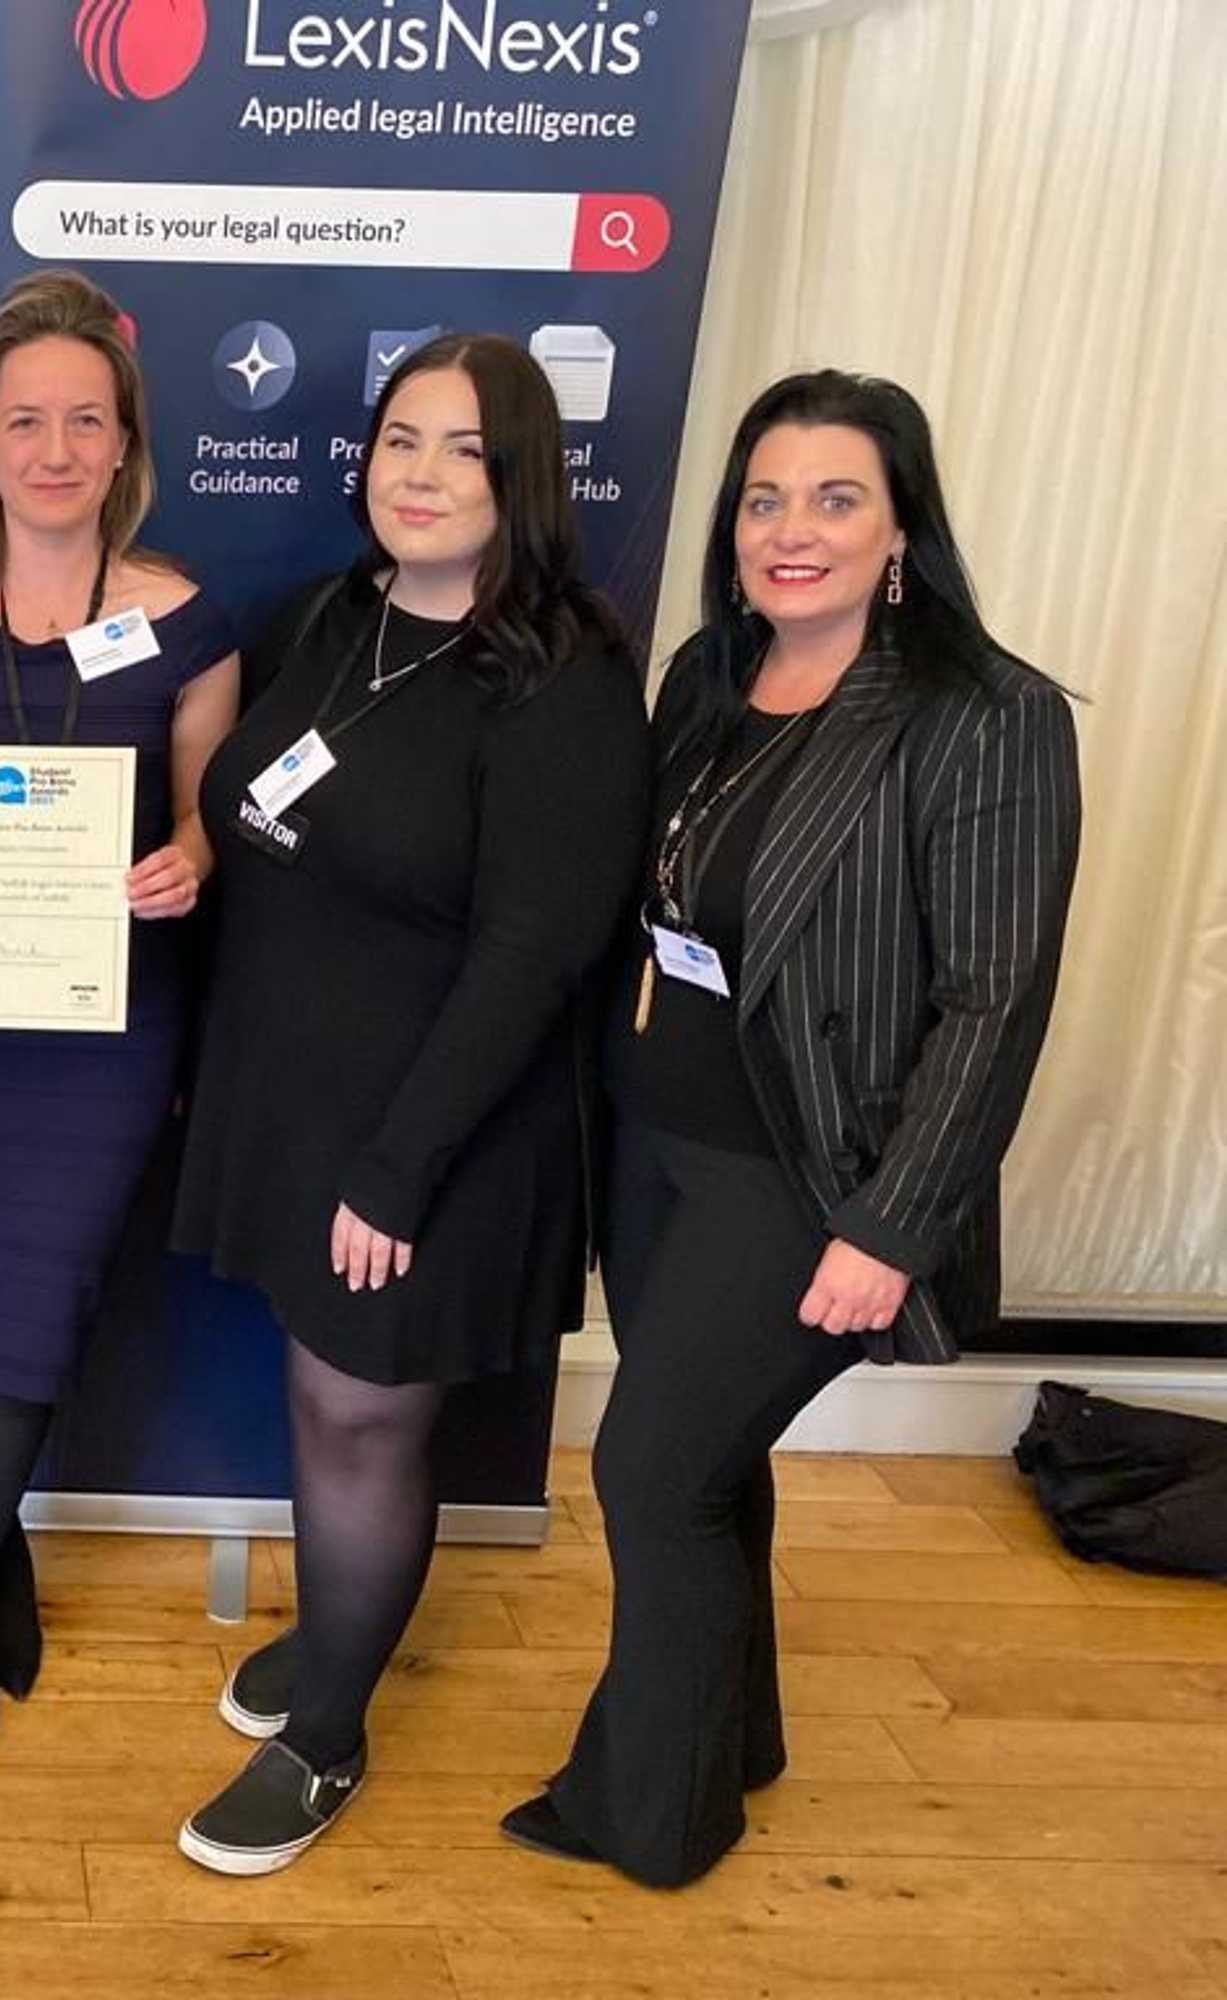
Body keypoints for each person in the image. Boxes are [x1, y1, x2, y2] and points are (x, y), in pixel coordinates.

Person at [501, 371, 1082, 1887]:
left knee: (649, 1470)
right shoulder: (710, 674)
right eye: (766, 498)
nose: (792, 530)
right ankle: (731, 1735)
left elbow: (993, 1001)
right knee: (712, 1459)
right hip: (653, 1150)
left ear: (902, 530)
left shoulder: (984, 717)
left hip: (809, 1174)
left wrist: (891, 1228)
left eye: (836, 499)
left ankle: (653, 1814)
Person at [168, 333, 648, 1874]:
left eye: (463, 452)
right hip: (295, 1093)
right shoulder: (333, 615)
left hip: (435, 1124)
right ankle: (334, 1646)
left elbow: (537, 957)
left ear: (522, 483)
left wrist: (396, 1169)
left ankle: (328, 1740)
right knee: (318, 1396)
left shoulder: (561, 674)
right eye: (400, 443)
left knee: (364, 1416)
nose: (422, 477)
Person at [0, 270, 238, 1766]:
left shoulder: (189, 621)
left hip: (102, 1022)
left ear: (125, 437)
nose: (56, 447)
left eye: (85, 418)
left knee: (47, 1287)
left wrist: (190, 859)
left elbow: (212, 814)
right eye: (27, 419)